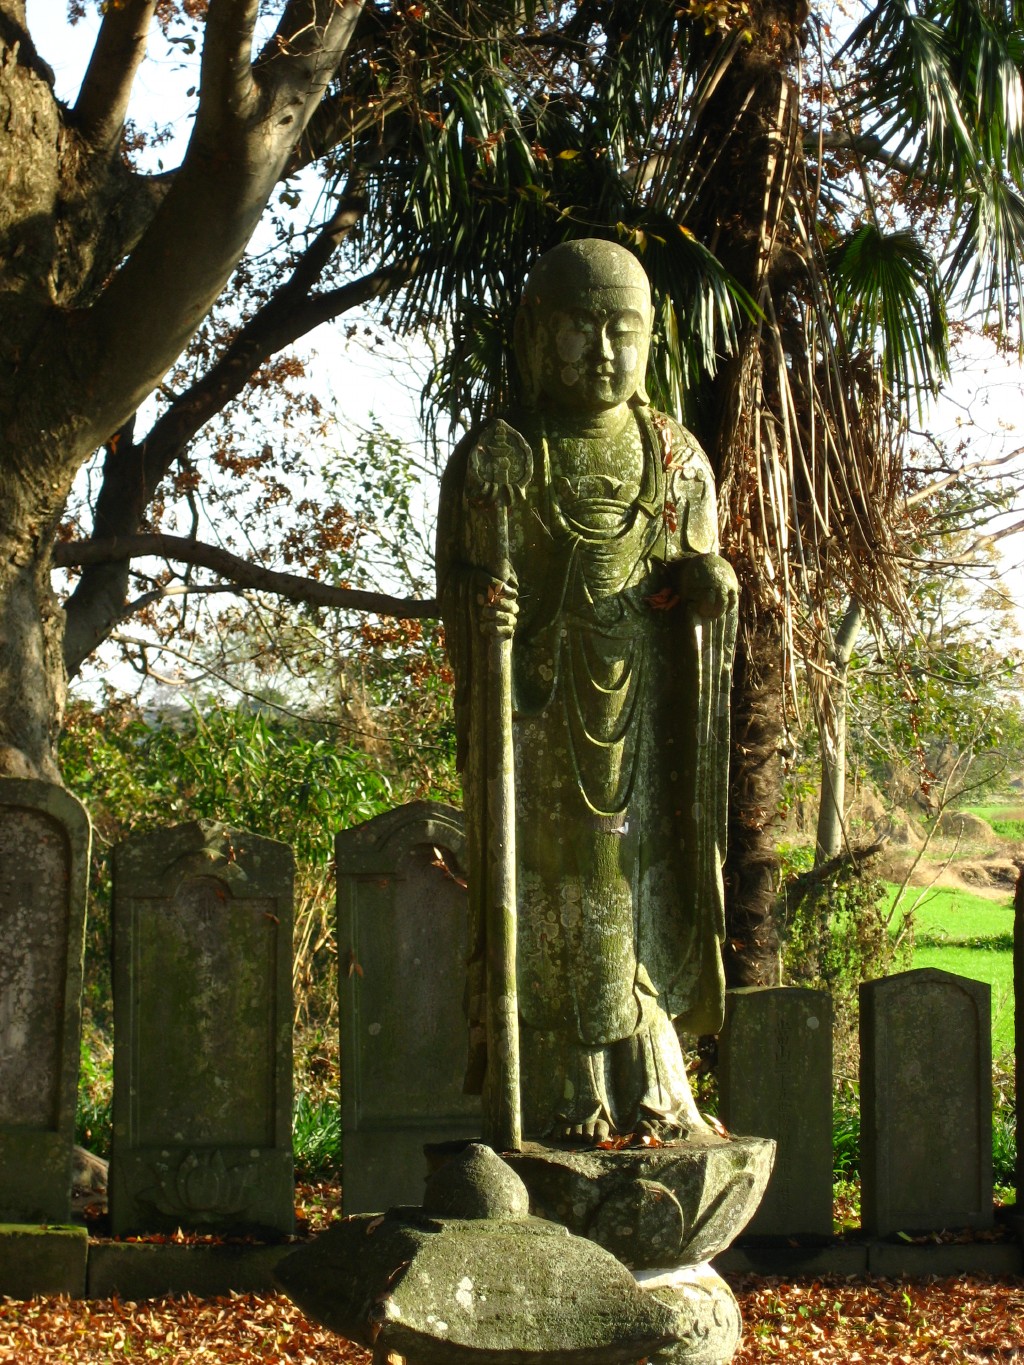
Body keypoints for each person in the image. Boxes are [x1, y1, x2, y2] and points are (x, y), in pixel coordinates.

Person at [437, 239, 737, 1145]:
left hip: (648, 716)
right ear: (537, 334)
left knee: (636, 882)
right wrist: (484, 608)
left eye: (623, 329)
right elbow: (461, 585)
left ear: (653, 338)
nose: (603, 351)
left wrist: (708, 583)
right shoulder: (500, 454)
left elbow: (699, 567)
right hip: (535, 715)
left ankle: (651, 1083)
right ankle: (560, 1087)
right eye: (580, 327)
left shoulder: (676, 459)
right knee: (549, 892)